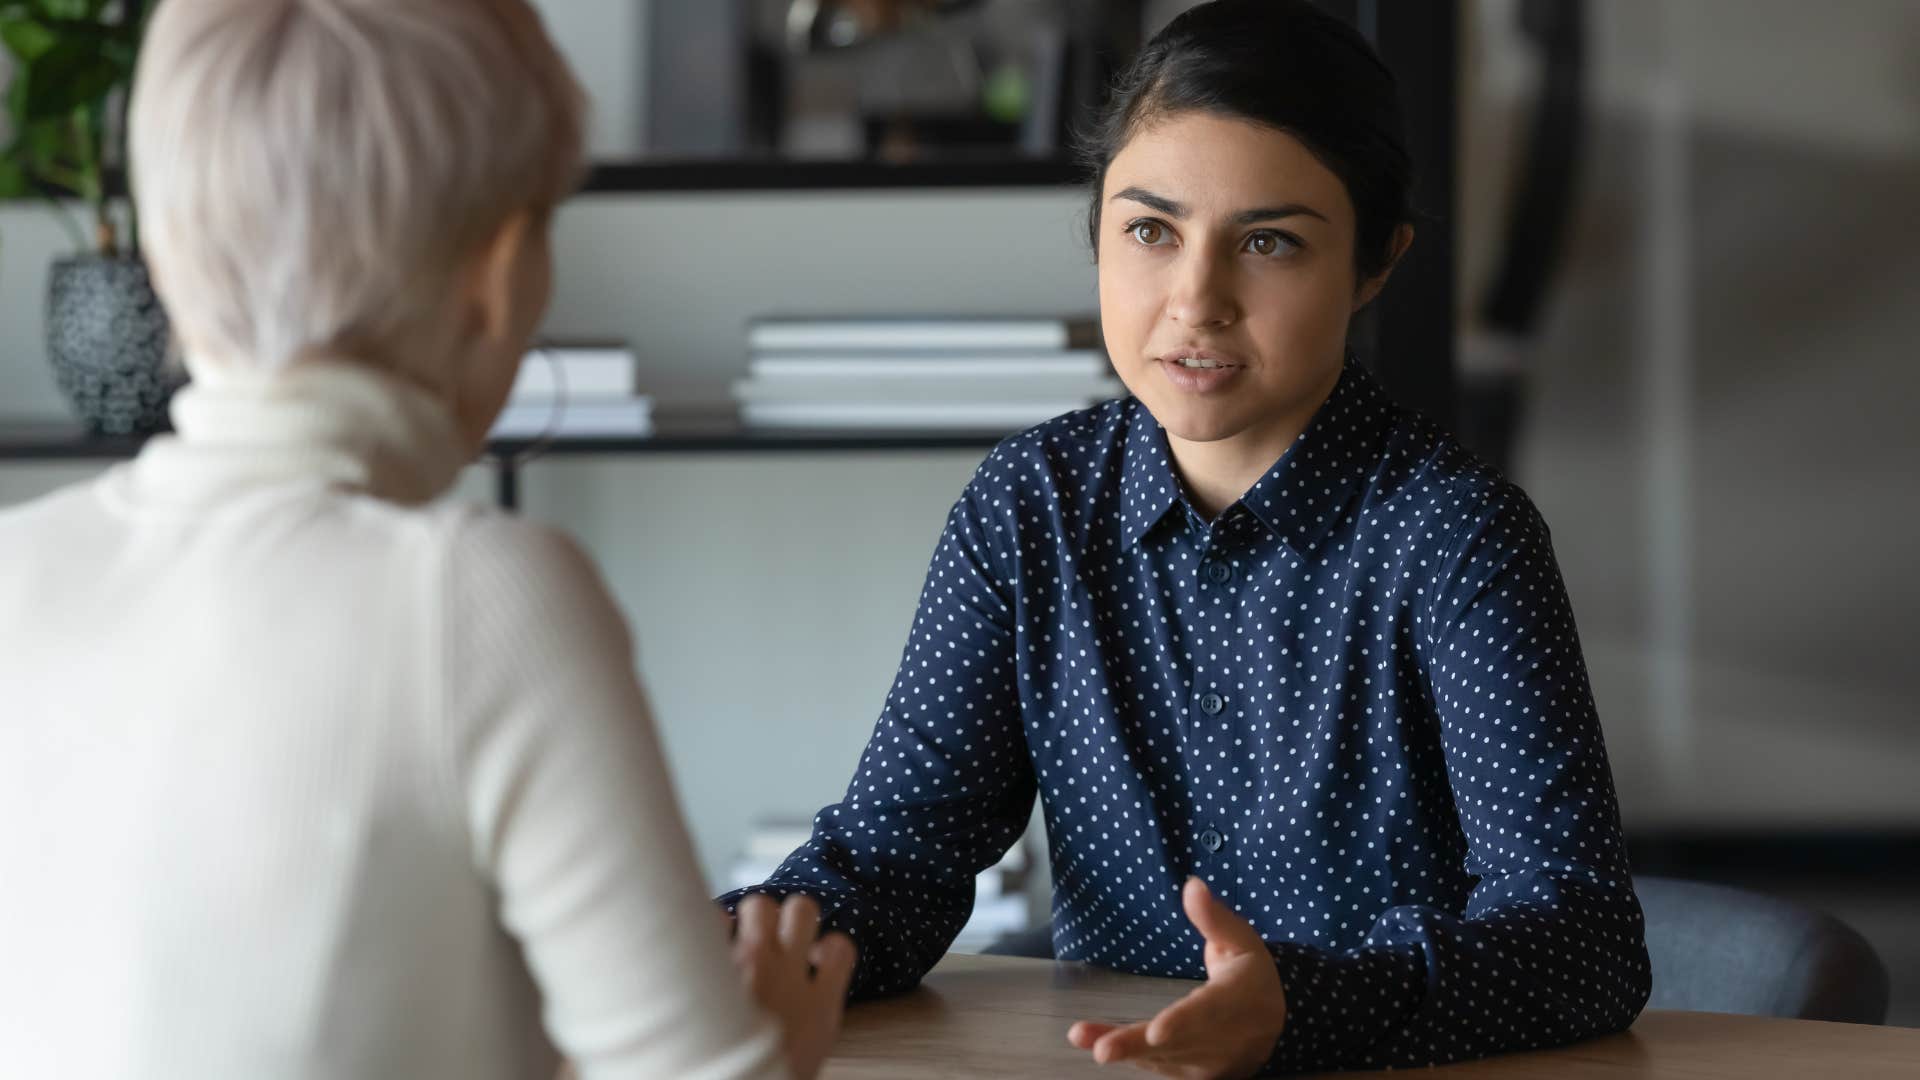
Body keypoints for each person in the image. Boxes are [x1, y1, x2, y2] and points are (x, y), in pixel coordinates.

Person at [721, 2, 1651, 1075]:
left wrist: (1298, 1008)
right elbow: (893, 863)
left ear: (1376, 262)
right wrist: (708, 947)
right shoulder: (1030, 506)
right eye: (1150, 231)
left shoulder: (1454, 538)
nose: (1195, 302)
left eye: (1269, 243)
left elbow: (1581, 944)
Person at [0, 1, 848, 1077]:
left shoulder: (13, 568)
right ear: (501, 278)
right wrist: (781, 1037)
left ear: (166, 254)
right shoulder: (479, 593)